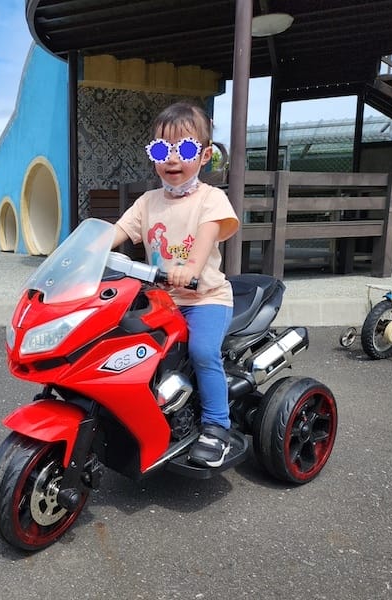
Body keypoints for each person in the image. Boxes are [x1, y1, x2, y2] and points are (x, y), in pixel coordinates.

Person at [110, 101, 240, 467]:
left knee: (202, 353)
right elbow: (119, 231)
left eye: (184, 149)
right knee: (128, 349)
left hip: (205, 300)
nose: (172, 159)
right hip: (161, 300)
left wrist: (190, 268)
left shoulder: (211, 199)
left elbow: (203, 242)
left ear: (205, 155)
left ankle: (217, 428)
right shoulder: (148, 201)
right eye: (160, 149)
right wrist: (84, 248)